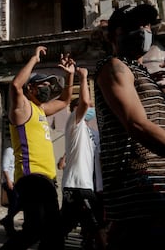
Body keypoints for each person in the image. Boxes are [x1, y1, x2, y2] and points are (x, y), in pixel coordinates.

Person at [94, 3, 165, 249]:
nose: (143, 30)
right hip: (138, 198)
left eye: (146, 25)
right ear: (114, 34)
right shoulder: (113, 67)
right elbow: (137, 124)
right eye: (134, 25)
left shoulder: (145, 75)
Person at [0, 45, 75, 250]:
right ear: (31, 88)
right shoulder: (23, 108)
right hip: (31, 178)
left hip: (47, 180)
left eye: (49, 86)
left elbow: (66, 100)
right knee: (36, 229)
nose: (47, 89)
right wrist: (34, 59)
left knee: (54, 235)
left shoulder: (41, 110)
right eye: (42, 84)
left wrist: (69, 77)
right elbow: (15, 85)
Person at [60, 67, 105, 249]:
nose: (90, 108)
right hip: (77, 186)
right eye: (88, 107)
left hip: (89, 188)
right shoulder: (74, 124)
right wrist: (83, 77)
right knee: (96, 230)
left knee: (81, 230)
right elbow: (85, 102)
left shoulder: (93, 132)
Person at [0, 145, 17, 236]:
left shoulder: (18, 150)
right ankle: (9, 226)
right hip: (9, 181)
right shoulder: (9, 150)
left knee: (15, 204)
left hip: (16, 181)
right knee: (14, 204)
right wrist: (9, 181)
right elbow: (5, 168)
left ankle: (7, 221)